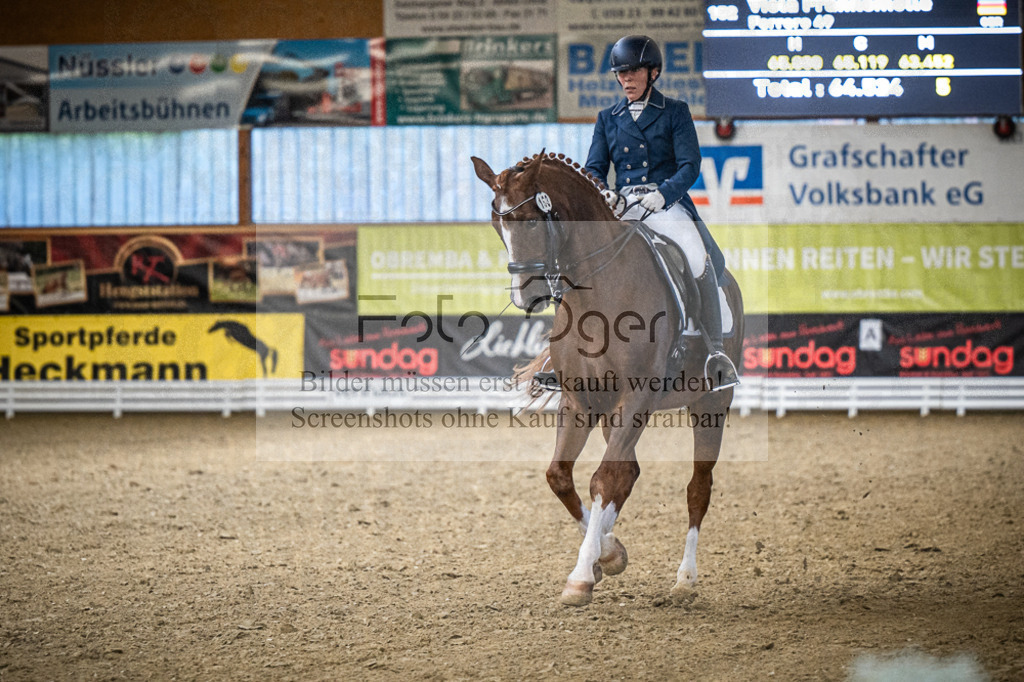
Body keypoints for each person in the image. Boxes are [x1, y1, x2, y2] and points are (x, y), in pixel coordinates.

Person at [584, 34, 739, 391]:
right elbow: (593, 168)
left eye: (632, 71)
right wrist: (605, 194)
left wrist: (663, 194)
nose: (626, 79)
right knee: (583, 257)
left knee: (697, 256)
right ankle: (565, 352)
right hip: (623, 206)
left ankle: (715, 353)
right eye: (620, 74)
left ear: (653, 73)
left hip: (665, 205)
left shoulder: (675, 112)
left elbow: (690, 165)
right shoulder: (608, 118)